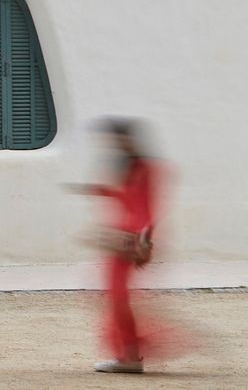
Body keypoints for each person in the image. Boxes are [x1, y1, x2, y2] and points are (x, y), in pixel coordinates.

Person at [72, 118, 161, 374]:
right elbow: (129, 199)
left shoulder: (146, 168)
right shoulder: (132, 167)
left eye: (120, 139)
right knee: (116, 298)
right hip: (121, 237)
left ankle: (130, 358)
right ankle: (128, 355)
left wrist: (143, 239)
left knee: (119, 298)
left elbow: (148, 206)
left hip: (129, 241)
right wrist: (98, 190)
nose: (117, 144)